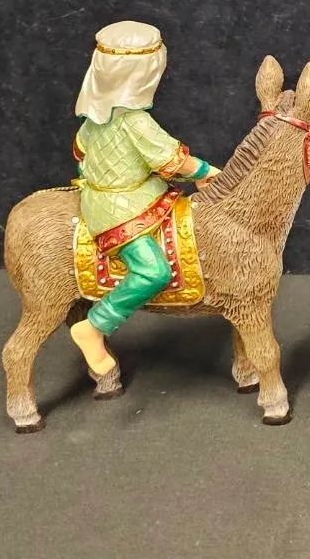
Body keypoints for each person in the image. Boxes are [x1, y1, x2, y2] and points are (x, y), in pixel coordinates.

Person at [68, 21, 218, 376]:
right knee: (153, 270)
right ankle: (95, 325)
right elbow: (172, 160)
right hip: (119, 209)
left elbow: (79, 153)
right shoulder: (135, 122)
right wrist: (209, 171)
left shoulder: (94, 118)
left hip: (133, 193)